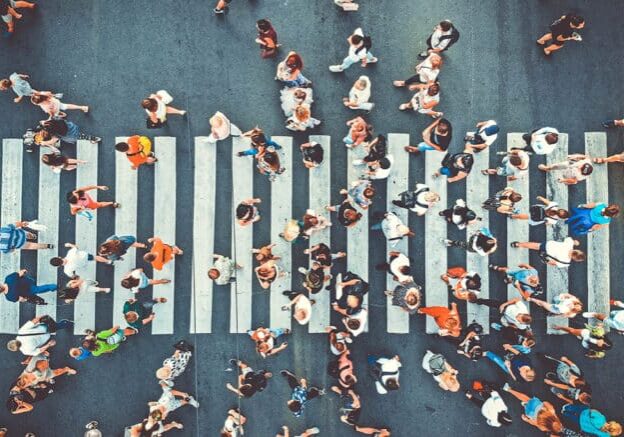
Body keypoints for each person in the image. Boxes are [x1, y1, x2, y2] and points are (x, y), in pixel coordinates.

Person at [7, 316, 72, 356]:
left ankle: (64, 324)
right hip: (44, 327)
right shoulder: (21, 332)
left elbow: (40, 350)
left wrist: (49, 344)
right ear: (14, 340)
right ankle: (63, 323)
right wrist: (41, 317)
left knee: (55, 328)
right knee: (55, 326)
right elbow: (33, 321)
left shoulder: (26, 351)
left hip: (46, 336)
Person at [511, 237, 585, 268]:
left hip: (549, 245)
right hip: (548, 254)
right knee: (537, 248)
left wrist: (575, 243)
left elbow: (570, 239)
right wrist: (547, 261)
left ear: (577, 251)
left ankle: (518, 244)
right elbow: (553, 263)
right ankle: (518, 244)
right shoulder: (566, 263)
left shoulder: (569, 244)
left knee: (535, 245)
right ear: (575, 259)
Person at [32, 119, 101, 151]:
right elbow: (43, 121)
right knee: (79, 134)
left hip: (70, 134)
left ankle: (95, 138)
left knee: (81, 136)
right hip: (68, 126)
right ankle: (93, 138)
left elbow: (54, 140)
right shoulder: (49, 123)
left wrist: (44, 143)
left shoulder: (54, 134)